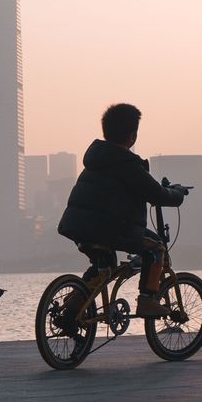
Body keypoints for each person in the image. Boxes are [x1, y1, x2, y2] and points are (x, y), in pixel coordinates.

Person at [58, 103, 188, 318]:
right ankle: (147, 300)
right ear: (132, 136)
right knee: (156, 248)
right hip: (110, 229)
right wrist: (178, 194)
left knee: (104, 267)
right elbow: (157, 194)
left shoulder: (95, 159)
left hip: (77, 226)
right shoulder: (127, 164)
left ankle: (73, 307)